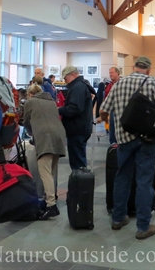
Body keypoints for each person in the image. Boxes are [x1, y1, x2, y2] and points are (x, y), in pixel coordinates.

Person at [99, 56, 155, 240]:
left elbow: (103, 110)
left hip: (123, 140)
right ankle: (143, 226)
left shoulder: (119, 83)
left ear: (133, 67)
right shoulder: (152, 83)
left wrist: (111, 123)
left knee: (122, 177)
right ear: (149, 69)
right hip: (146, 140)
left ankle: (118, 218)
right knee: (144, 181)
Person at [23, 83, 66, 219]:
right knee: (51, 172)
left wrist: (31, 133)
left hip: (45, 137)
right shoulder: (52, 101)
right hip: (59, 136)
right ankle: (50, 199)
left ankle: (51, 205)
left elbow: (26, 121)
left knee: (44, 172)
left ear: (30, 94)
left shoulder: (30, 101)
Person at [58, 65, 93, 170]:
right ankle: (80, 182)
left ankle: (80, 183)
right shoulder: (82, 85)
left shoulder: (78, 87)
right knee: (79, 159)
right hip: (81, 127)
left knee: (77, 163)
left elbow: (75, 108)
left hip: (77, 129)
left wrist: (59, 110)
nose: (65, 81)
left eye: (65, 78)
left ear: (73, 74)